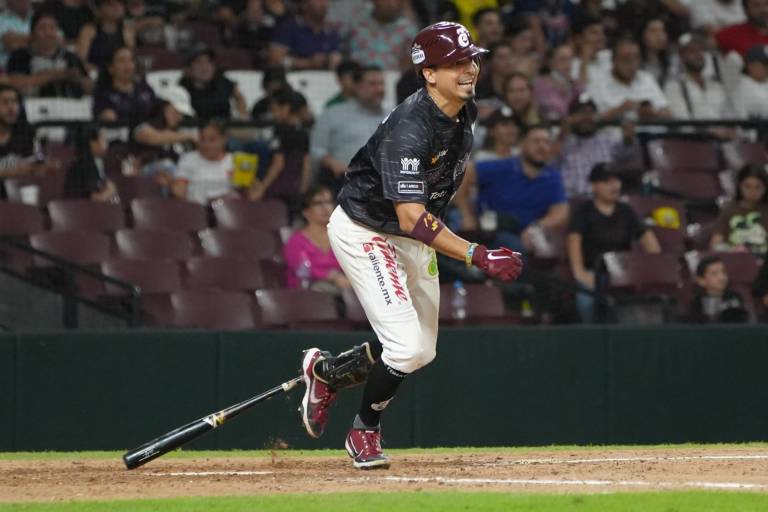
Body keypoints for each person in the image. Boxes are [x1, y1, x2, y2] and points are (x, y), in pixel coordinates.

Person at [297, 22, 522, 469]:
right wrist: (476, 254)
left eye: (471, 59)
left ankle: (326, 373)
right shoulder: (410, 128)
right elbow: (409, 216)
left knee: (421, 349)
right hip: (369, 230)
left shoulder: (463, 108)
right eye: (456, 62)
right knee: (404, 347)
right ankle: (364, 431)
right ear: (428, 72)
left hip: (413, 236)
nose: (470, 69)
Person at [567, 163, 661, 322]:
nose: (613, 186)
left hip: (624, 273)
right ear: (594, 186)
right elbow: (573, 241)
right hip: (594, 273)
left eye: (616, 180)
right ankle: (592, 337)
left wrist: (652, 268)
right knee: (586, 301)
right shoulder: (583, 211)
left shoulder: (627, 211)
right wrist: (580, 273)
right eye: (607, 181)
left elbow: (649, 241)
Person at [462, 123, 569, 255]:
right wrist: (466, 214)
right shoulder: (504, 167)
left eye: (546, 142)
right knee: (515, 249)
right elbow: (465, 172)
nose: (542, 146)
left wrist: (536, 227)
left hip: (530, 233)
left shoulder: (552, 176)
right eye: (536, 141)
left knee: (551, 253)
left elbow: (561, 211)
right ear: (522, 144)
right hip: (495, 232)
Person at [311, 65, 386, 196]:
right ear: (356, 86)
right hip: (344, 183)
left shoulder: (393, 115)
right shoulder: (332, 114)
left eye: (381, 84)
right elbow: (317, 149)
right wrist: (333, 163)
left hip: (384, 185)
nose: (379, 89)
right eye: (372, 84)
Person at [557, 94, 638, 198]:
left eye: (590, 113)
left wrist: (628, 139)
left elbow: (625, 153)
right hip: (574, 202)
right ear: (570, 118)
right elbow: (550, 163)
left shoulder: (606, 139)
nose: (586, 117)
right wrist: (562, 136)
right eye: (581, 113)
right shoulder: (563, 142)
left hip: (604, 200)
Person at [6, 10, 93, 98]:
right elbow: (14, 84)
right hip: (33, 106)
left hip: (70, 106)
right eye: (42, 28)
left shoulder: (71, 57)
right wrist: (56, 75)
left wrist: (80, 80)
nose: (48, 33)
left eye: (52, 28)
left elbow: (90, 88)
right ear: (32, 33)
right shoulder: (19, 55)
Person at [248, 87, 310, 210]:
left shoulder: (280, 131)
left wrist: (262, 188)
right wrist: (303, 190)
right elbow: (306, 165)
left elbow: (278, 164)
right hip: (295, 188)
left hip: (277, 188)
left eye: (274, 109)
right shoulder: (304, 133)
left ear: (286, 108)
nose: (273, 114)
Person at [283, 185, 351, 293]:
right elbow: (301, 270)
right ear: (306, 212)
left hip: (342, 289)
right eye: (318, 203)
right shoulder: (296, 241)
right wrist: (331, 276)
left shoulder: (341, 238)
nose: (325, 207)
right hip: (308, 293)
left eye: (328, 202)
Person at [586, 37, 672, 122]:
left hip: (651, 133)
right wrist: (618, 110)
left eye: (636, 58)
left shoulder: (647, 79)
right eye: (626, 59)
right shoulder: (598, 82)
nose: (632, 64)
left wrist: (653, 113)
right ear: (614, 60)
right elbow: (590, 119)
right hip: (613, 134)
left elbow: (668, 113)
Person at [131, 85, 197, 185]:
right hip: (146, 182)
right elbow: (154, 137)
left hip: (178, 181)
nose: (180, 117)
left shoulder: (179, 132)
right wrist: (189, 136)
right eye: (176, 112)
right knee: (167, 166)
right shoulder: (142, 128)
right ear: (163, 107)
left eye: (182, 114)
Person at [664, 32, 733, 121]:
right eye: (692, 51)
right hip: (697, 134)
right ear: (682, 56)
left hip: (724, 132)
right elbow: (682, 123)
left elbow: (729, 115)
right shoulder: (674, 86)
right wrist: (711, 131)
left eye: (701, 50)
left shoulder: (715, 84)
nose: (698, 55)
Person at [0, 84, 54, 197]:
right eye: (5, 102)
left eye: (14, 102)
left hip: (18, 197)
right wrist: (13, 171)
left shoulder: (26, 133)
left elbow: (38, 167)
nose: (11, 107)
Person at [172, 119, 235, 205]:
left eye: (212, 140)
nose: (206, 144)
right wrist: (172, 186)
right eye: (202, 139)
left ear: (224, 140)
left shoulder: (235, 161)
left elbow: (246, 195)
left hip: (228, 213)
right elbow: (179, 190)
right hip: (196, 212)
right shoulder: (188, 159)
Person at [710, 163, 768, 256]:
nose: (752, 192)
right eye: (747, 186)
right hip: (735, 261)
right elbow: (716, 244)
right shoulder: (728, 210)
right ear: (739, 186)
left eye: (758, 187)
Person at [343, 0, 418, 71]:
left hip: (393, 78)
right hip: (358, 78)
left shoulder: (408, 30)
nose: (391, 4)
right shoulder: (358, 23)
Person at [267, 0, 341, 71]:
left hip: (324, 80)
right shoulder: (289, 27)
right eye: (318, 0)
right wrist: (307, 63)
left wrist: (333, 62)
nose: (323, 4)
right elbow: (274, 60)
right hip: (294, 79)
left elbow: (336, 58)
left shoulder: (331, 32)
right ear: (304, 4)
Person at [178, 46, 247, 120]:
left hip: (225, 127)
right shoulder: (182, 89)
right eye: (199, 62)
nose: (205, 67)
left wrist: (242, 116)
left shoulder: (222, 81)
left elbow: (239, 97)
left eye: (208, 61)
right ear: (188, 69)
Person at [92, 46, 156, 124]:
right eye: (122, 61)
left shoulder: (144, 88)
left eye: (131, 60)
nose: (127, 65)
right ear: (110, 68)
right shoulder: (103, 93)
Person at [63, 124, 118, 202]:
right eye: (103, 139)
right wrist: (110, 191)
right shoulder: (83, 166)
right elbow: (94, 199)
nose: (107, 143)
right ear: (92, 143)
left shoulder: (99, 162)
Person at [76, 0, 135, 72]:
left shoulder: (127, 31)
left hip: (118, 74)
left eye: (120, 4)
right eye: (110, 4)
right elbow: (80, 60)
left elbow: (130, 58)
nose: (117, 8)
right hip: (94, 73)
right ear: (99, 9)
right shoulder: (89, 30)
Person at [688, 255, 748, 323]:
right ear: (701, 281)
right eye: (714, 274)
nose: (721, 277)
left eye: (723, 272)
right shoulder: (698, 302)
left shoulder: (734, 297)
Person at [533, 43, 583, 121]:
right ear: (551, 62)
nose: (568, 64)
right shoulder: (540, 84)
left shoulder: (576, 85)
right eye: (563, 59)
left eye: (570, 59)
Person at [735, 43, 768, 118]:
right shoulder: (741, 85)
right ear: (750, 65)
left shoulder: (766, 82)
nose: (766, 67)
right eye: (764, 63)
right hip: (753, 127)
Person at [0, 0, 32, 69]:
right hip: (8, 73)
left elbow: (59, 40)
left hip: (41, 69)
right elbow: (12, 44)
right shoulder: (1, 20)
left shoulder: (40, 17)